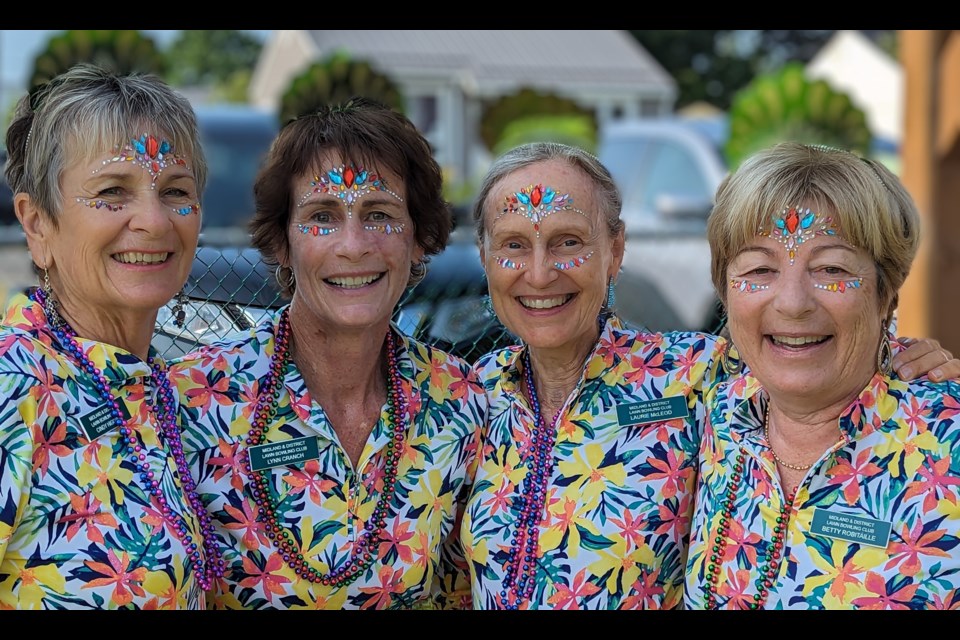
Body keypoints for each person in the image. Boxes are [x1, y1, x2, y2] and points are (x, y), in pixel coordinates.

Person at [461, 141, 960, 610]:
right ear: (483, 258)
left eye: (831, 269)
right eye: (513, 245)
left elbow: (814, 358)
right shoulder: (465, 400)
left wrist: (909, 358)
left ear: (615, 251)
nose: (541, 272)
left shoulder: (693, 377)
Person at [167, 97, 486, 609]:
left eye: (379, 214)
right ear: (282, 243)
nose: (353, 245)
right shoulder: (194, 403)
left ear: (420, 238)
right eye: (322, 216)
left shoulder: (460, 401)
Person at [683, 141, 960, 609]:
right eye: (759, 268)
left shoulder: (948, 442)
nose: (792, 303)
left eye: (831, 268)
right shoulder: (703, 412)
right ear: (725, 293)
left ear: (886, 291)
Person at [0, 63, 222, 609]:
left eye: (175, 191)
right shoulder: (13, 385)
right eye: (112, 191)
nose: (153, 220)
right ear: (36, 224)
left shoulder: (147, 386)